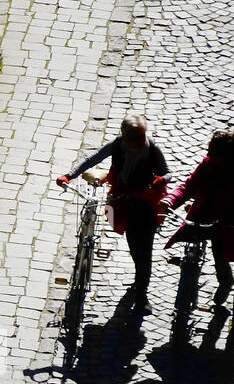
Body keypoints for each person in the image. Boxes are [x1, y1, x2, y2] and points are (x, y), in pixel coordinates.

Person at [159, 129, 234, 338]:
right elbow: (188, 186)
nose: (209, 157)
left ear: (228, 156)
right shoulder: (208, 166)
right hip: (216, 226)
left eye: (214, 153)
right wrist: (171, 199)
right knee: (220, 258)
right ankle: (225, 282)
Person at [56, 114, 169, 314]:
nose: (139, 142)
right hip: (121, 201)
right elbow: (94, 159)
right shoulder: (117, 145)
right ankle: (140, 280)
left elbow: (168, 173)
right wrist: (70, 175)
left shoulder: (152, 150)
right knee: (135, 249)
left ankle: (142, 295)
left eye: (141, 137)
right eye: (135, 138)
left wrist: (160, 180)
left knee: (143, 252)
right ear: (124, 135)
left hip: (144, 207)